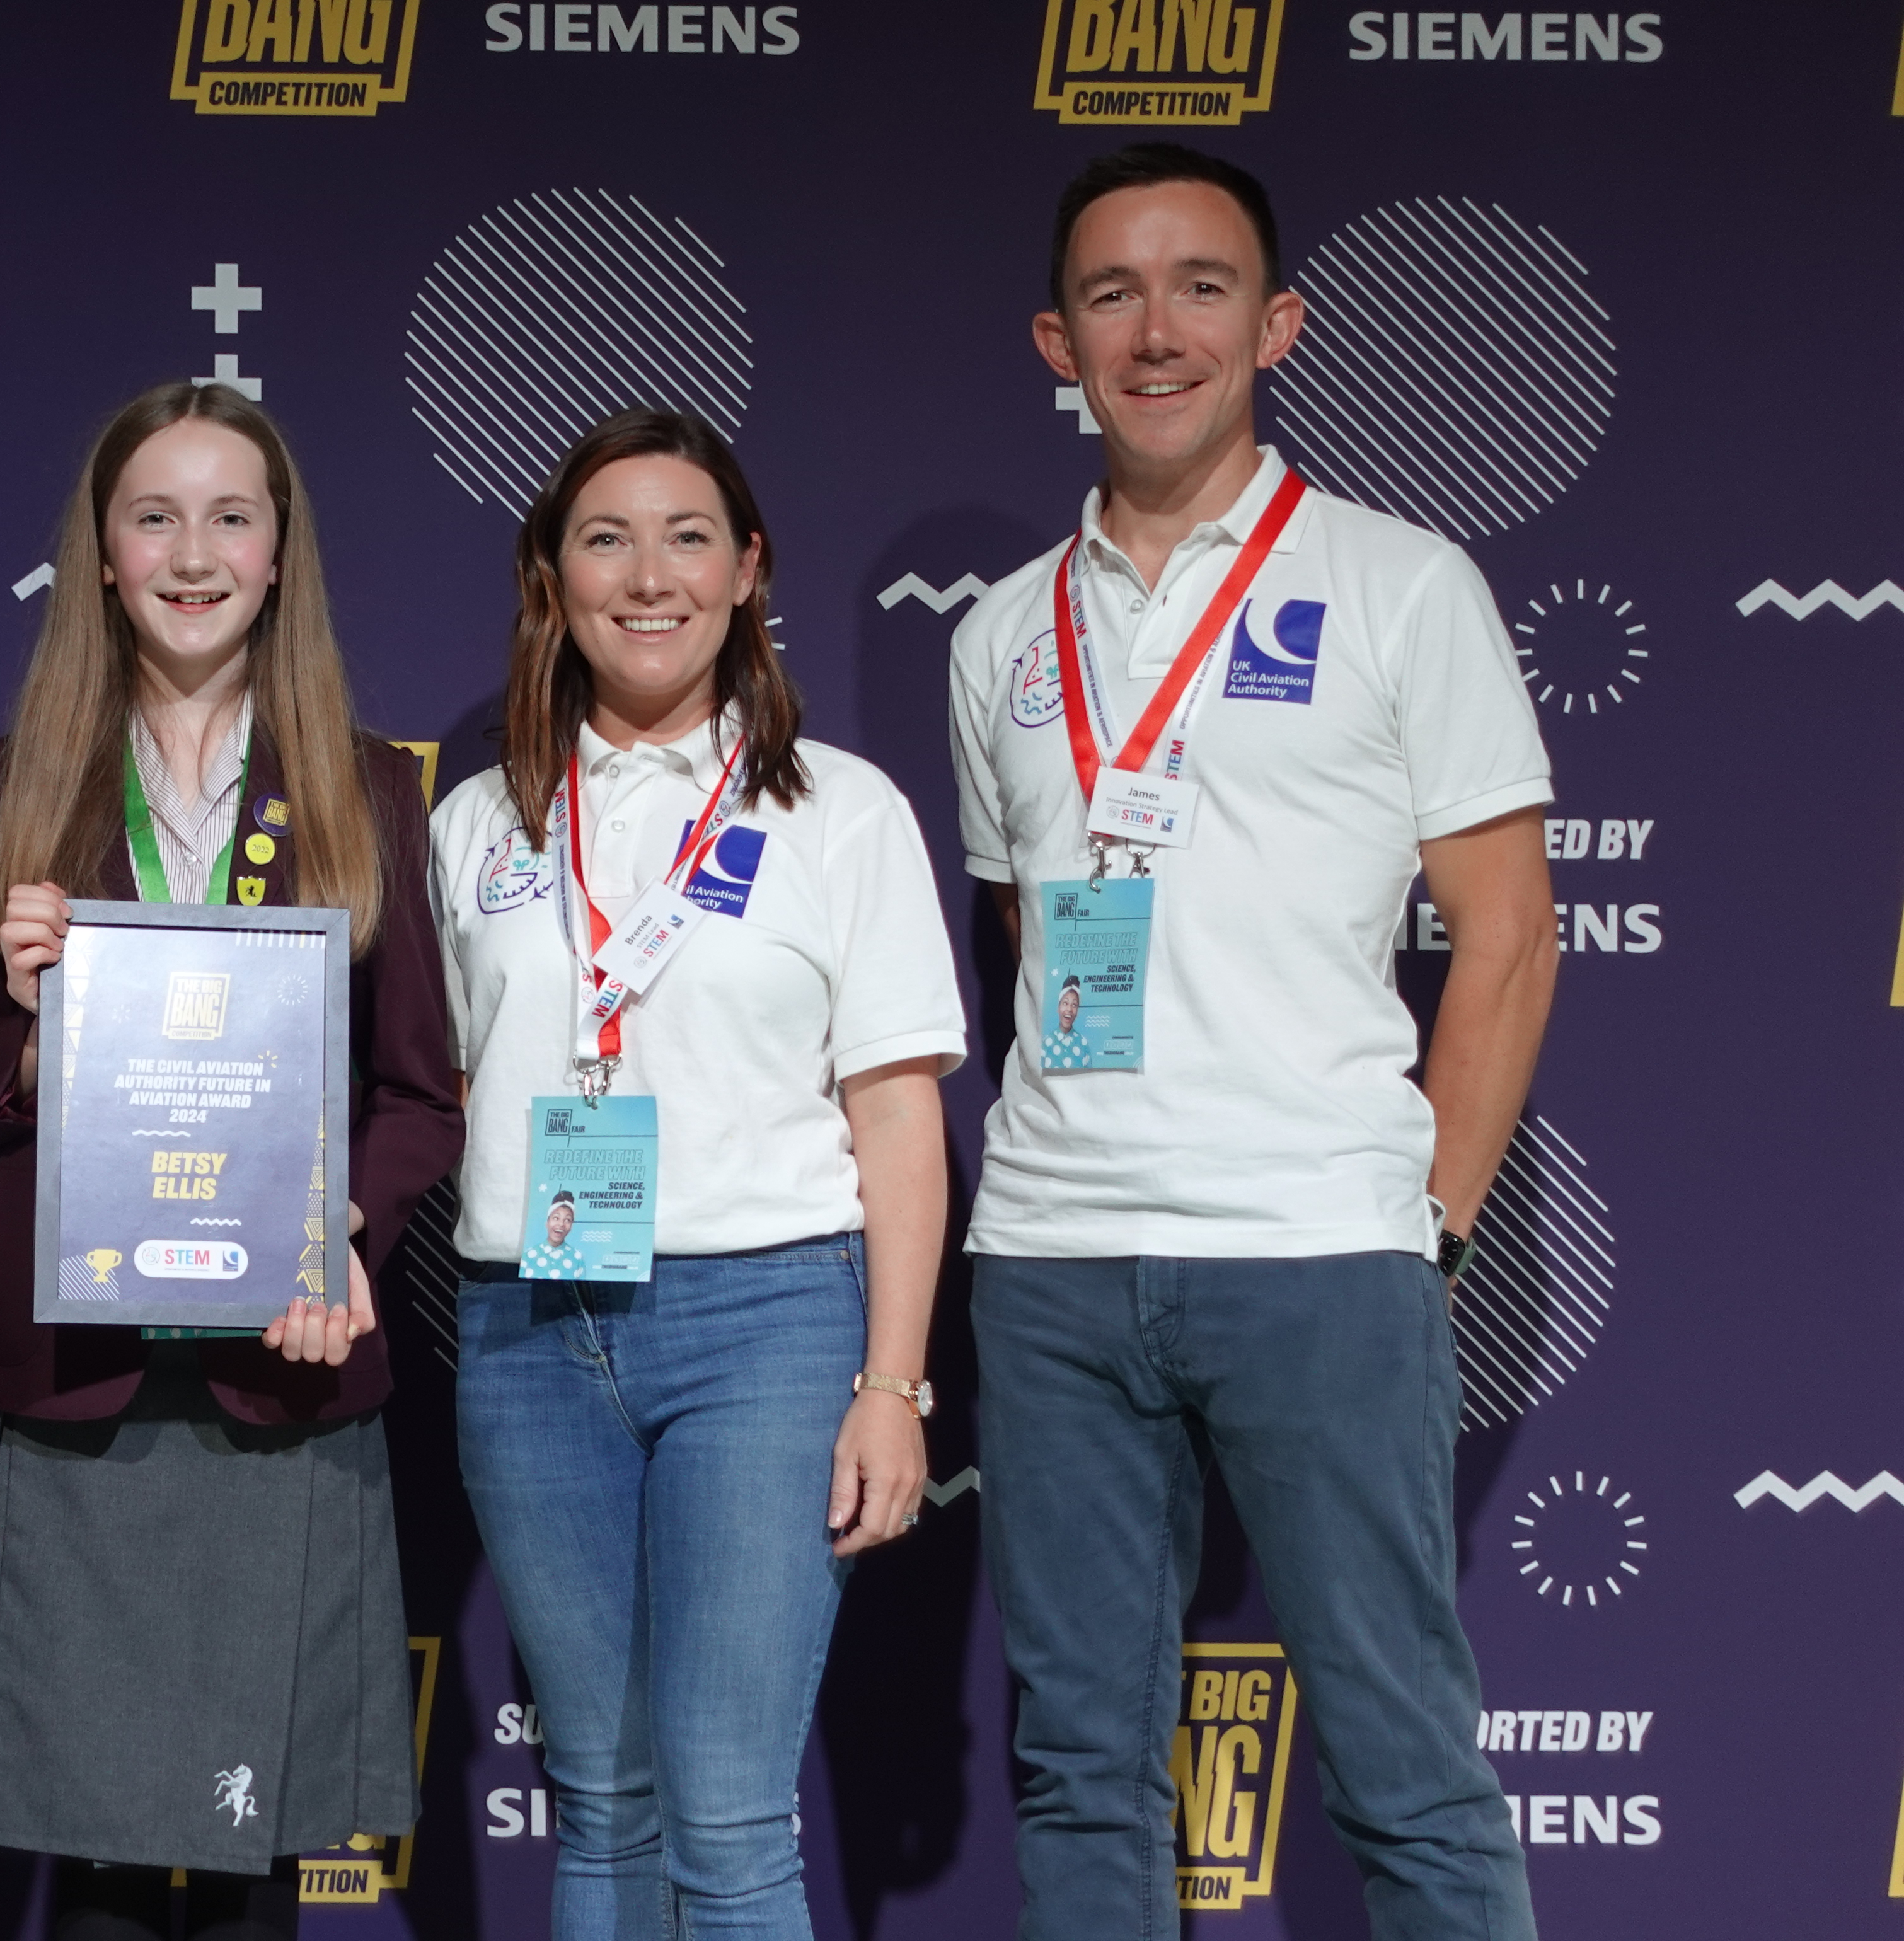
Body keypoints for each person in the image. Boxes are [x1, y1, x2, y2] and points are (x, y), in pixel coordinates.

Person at [949, 144, 1553, 1937]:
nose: (1159, 331)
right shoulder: (997, 636)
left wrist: (1422, 1225)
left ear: (1276, 323)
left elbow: (1510, 939)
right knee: (1080, 1772)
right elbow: (1031, 929)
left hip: (1320, 1253)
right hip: (1052, 1261)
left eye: (1201, 286)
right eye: (1115, 295)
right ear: (1056, 340)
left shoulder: (1400, 582)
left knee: (1402, 1763)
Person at [0, 381, 464, 1941]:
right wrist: (32, 1031)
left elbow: (421, 1092)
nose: (193, 550)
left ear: (281, 551)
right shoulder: (5, 784)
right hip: (71, 1383)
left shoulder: (364, 790)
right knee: (87, 1862)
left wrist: (327, 1236)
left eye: (232, 514)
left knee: (251, 1857)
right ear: (99, 554)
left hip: (273, 1384)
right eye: (154, 514)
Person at [430, 408, 966, 1938]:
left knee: (729, 1812)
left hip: (769, 1327)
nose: (647, 576)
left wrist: (895, 1383)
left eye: (687, 537)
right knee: (603, 1800)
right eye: (606, 539)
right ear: (553, 582)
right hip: (529, 1331)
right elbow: (440, 1089)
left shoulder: (840, 812)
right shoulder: (478, 822)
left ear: (748, 571)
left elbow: (899, 1118)